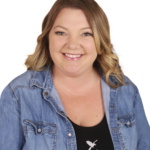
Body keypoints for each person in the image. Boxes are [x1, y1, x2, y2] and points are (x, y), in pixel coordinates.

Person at [0, 0, 150, 150]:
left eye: (86, 33)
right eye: (61, 32)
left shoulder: (128, 91)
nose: (72, 44)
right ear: (47, 38)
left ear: (100, 40)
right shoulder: (17, 94)